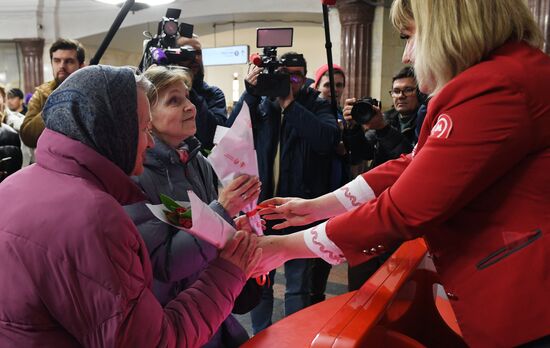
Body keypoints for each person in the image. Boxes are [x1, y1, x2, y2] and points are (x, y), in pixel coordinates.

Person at [254, 0, 550, 346]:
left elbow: (404, 208)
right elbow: (413, 163)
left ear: (448, 29)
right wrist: (318, 206)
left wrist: (284, 246)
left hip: (527, 302)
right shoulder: (512, 72)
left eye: (411, 36)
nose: (408, 54)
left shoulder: (494, 84)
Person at [0, 65, 262, 347]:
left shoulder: (12, 186)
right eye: (144, 128)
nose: (149, 142)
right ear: (114, 130)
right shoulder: (97, 213)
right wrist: (228, 269)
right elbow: (150, 340)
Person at [124, 65, 262, 347]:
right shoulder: (135, 173)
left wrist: (237, 225)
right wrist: (222, 210)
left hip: (210, 304)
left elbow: (202, 231)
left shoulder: (197, 161)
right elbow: (165, 263)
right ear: (145, 115)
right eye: (174, 100)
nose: (191, 107)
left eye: (187, 98)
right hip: (173, 316)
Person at [229, 52, 340, 333]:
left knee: (298, 286)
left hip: (298, 211)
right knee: (259, 282)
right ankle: (261, 337)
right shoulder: (262, 105)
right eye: (284, 75)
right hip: (260, 210)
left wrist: (289, 104)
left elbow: (326, 140)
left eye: (296, 76)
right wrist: (251, 94)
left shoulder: (316, 105)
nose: (289, 82)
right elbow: (229, 135)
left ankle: (294, 338)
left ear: (306, 78)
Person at [341, 66, 422, 291]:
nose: (400, 96)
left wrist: (383, 129)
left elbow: (412, 161)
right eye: (395, 91)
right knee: (361, 280)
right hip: (378, 208)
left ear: (421, 92)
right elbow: (360, 154)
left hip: (407, 214)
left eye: (408, 90)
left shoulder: (424, 121)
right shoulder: (386, 119)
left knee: (399, 284)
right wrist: (353, 129)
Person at [310, 63, 349, 304]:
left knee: (328, 249)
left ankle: (316, 296)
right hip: (317, 192)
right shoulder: (313, 113)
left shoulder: (342, 114)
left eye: (339, 85)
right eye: (328, 85)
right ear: (316, 86)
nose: (333, 90)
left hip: (338, 191)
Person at [20, 38, 85, 148]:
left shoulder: (91, 91)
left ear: (81, 65)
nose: (62, 66)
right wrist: (56, 104)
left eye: (69, 61)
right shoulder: (41, 94)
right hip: (51, 159)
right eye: (57, 60)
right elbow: (28, 136)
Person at [175, 35, 227, 151]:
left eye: (198, 53)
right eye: (188, 52)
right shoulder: (165, 94)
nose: (195, 58)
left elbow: (215, 137)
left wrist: (189, 90)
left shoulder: (214, 94)